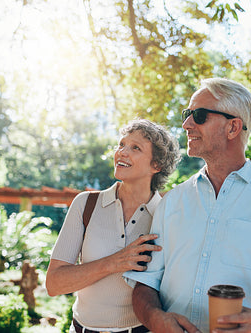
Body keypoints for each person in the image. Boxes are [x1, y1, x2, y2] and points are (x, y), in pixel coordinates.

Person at [124, 78, 251, 333]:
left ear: (233, 127)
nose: (186, 124)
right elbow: (146, 284)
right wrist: (154, 317)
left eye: (199, 115)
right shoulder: (172, 202)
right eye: (188, 114)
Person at [46, 119, 180, 333]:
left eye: (135, 148)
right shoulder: (86, 204)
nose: (122, 152)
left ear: (157, 165)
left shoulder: (167, 214)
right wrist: (114, 263)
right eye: (121, 145)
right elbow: (54, 284)